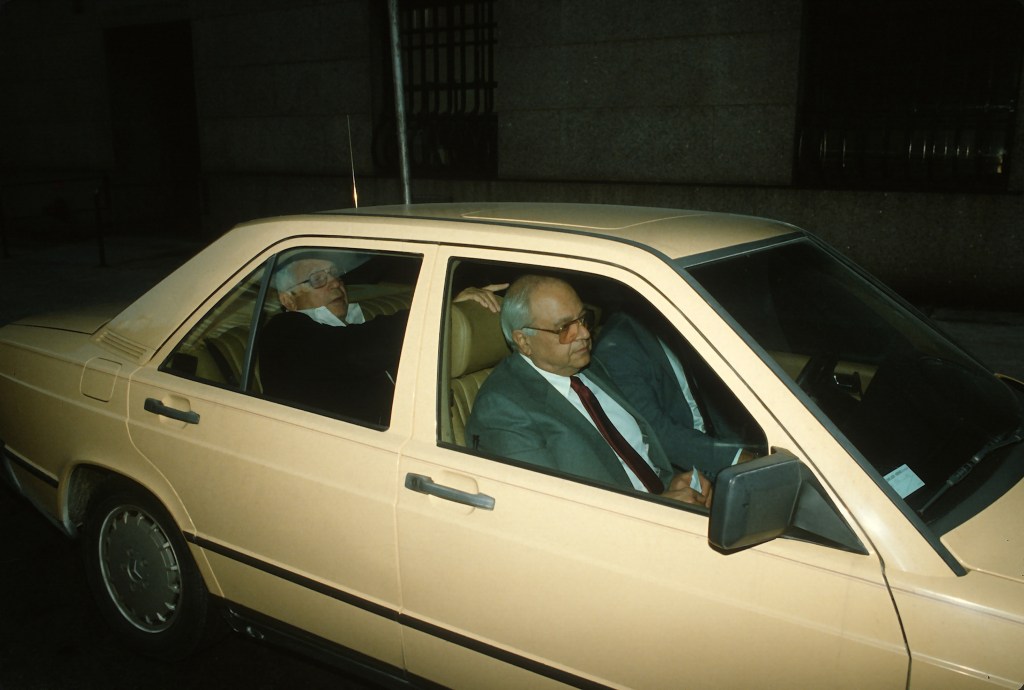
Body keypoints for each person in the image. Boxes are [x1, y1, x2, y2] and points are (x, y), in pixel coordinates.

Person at [466, 275, 712, 507]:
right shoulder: (501, 410)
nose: (584, 334)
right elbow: (551, 512)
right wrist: (662, 507)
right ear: (523, 341)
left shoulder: (590, 368)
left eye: (583, 320)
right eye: (565, 328)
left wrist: (671, 484)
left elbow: (635, 456)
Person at [260, 250, 503, 423]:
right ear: (288, 299)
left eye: (334, 274)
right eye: (317, 279)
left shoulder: (352, 321)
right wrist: (441, 308)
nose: (334, 283)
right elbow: (360, 350)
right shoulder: (284, 332)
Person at [592, 312, 753, 479]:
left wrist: (743, 446)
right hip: (689, 468)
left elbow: (709, 400)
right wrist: (735, 458)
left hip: (716, 442)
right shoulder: (619, 348)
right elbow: (657, 433)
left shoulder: (675, 327)